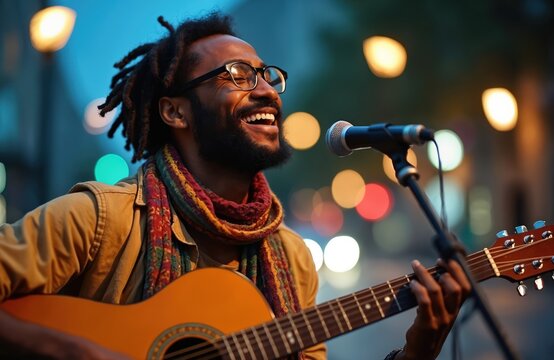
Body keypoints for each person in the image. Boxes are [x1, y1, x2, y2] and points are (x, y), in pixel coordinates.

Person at [0, 12, 470, 359]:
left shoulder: (290, 259)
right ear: (175, 112)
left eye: (267, 76)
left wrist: (418, 350)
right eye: (237, 76)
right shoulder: (100, 219)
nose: (265, 89)